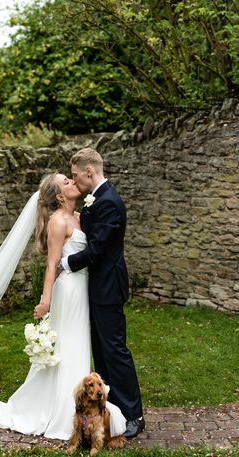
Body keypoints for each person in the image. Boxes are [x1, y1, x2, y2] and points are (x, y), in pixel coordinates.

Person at [0, 173, 127, 440]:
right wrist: (45, 301)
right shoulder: (57, 221)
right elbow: (52, 264)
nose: (71, 182)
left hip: (84, 288)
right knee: (68, 344)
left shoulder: (80, 216)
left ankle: (81, 408)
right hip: (68, 290)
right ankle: (65, 412)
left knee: (77, 344)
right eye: (66, 182)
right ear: (58, 196)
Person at [61, 147, 145, 439]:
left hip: (108, 288)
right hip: (94, 288)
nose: (74, 180)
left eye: (75, 175)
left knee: (115, 352)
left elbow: (97, 249)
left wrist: (68, 262)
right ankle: (113, 411)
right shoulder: (94, 200)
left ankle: (134, 414)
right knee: (102, 353)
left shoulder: (110, 202)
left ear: (89, 171)